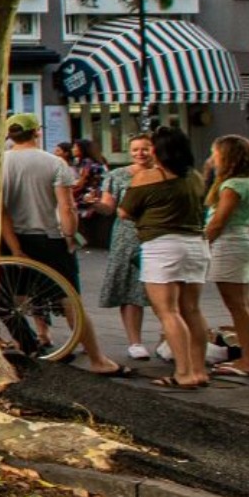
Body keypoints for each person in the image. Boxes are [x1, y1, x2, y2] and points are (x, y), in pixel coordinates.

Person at [0, 113, 128, 377]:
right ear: (37, 132)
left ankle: (27, 344)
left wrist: (14, 246)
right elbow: (66, 207)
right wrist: (70, 237)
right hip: (47, 236)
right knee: (69, 299)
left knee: (10, 297)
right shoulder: (55, 163)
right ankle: (97, 358)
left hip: (9, 237)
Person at [121, 126, 212, 390]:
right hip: (196, 244)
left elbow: (124, 212)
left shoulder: (149, 177)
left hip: (162, 246)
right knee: (192, 310)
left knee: (168, 312)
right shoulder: (194, 177)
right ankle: (199, 370)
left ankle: (183, 373)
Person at [202, 135, 249, 378]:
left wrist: (202, 243)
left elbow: (219, 221)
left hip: (230, 243)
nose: (212, 159)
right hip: (243, 241)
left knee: (237, 305)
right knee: (243, 304)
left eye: (216, 154)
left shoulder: (232, 186)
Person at [92, 136, 157, 359]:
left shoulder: (165, 173)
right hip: (126, 236)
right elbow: (108, 208)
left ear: (154, 150)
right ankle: (135, 342)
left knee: (163, 290)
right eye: (135, 149)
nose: (140, 153)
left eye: (145, 149)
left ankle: (168, 339)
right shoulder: (117, 175)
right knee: (129, 289)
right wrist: (94, 204)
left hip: (156, 235)